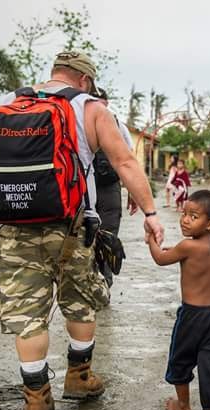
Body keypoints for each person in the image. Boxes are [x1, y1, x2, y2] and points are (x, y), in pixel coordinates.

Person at [0, 51, 164, 410]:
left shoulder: (8, 105)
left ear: (54, 74)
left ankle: (36, 401)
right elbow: (125, 163)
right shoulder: (91, 108)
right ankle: (79, 379)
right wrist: (150, 213)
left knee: (27, 313)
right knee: (80, 301)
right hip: (71, 225)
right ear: (84, 79)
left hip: (15, 226)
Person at [146, 190, 210, 410]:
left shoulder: (187, 246)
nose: (185, 220)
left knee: (180, 359)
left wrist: (151, 238)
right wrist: (179, 248)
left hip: (194, 316)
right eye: (184, 214)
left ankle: (182, 406)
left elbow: (161, 258)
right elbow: (192, 257)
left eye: (193, 216)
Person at [91, 87, 137, 288]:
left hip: (110, 188)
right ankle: (88, 283)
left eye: (101, 101)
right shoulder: (78, 123)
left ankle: (104, 284)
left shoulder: (119, 126)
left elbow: (127, 159)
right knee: (84, 236)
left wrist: (132, 191)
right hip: (85, 188)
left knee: (109, 236)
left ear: (107, 103)